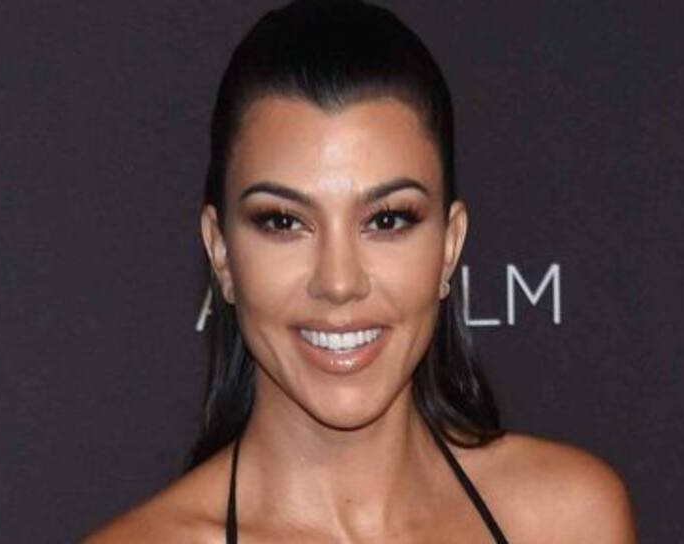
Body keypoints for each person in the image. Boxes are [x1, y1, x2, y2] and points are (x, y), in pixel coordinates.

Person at [86, 1, 634, 542]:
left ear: (449, 245)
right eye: (284, 221)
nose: (339, 282)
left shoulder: (569, 521)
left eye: (387, 220)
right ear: (221, 252)